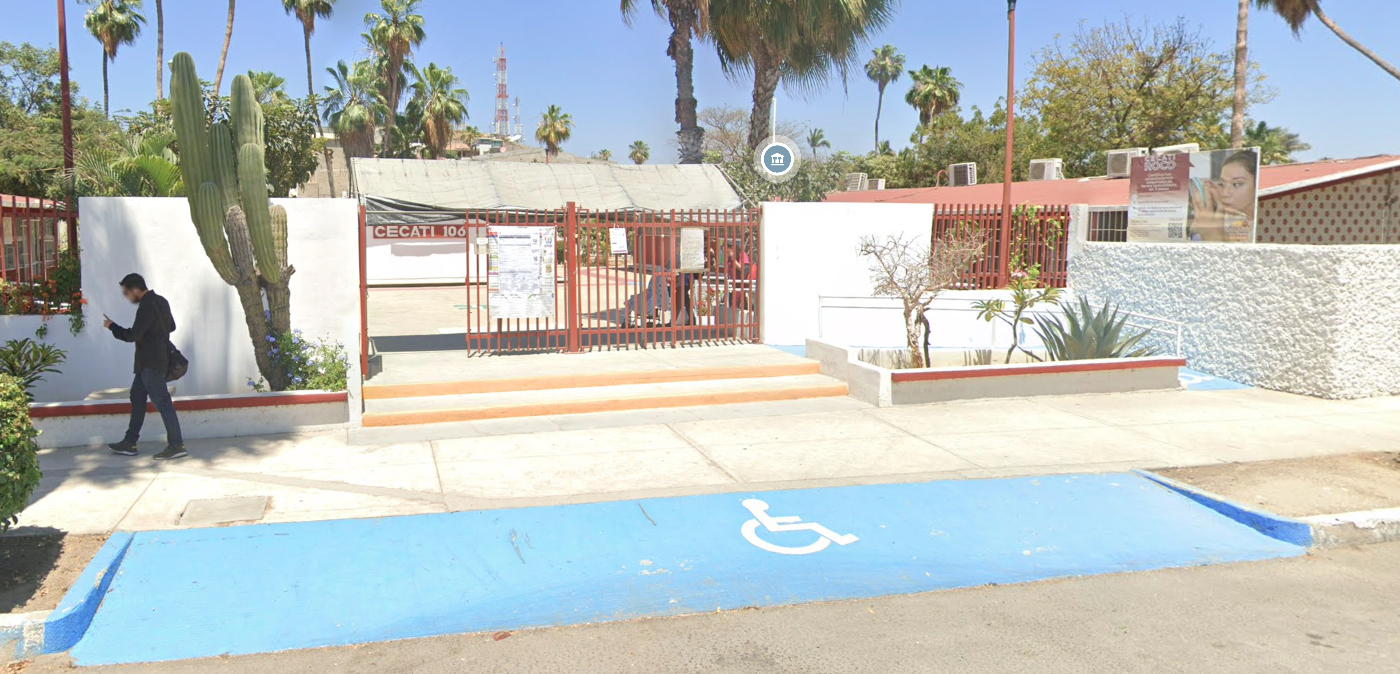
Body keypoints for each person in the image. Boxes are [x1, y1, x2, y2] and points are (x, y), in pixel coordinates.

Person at [104, 273, 185, 460]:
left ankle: (176, 445)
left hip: (150, 362)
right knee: (137, 397)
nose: (127, 297)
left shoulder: (146, 305)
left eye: (126, 293)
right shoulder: (161, 301)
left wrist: (112, 327)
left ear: (135, 289)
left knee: (163, 402)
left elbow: (133, 335)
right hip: (150, 362)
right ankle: (129, 442)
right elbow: (171, 326)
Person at [1188, 150, 1259, 242]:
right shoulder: (1237, 223)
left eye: (1237, 184)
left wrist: (1211, 236)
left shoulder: (1263, 228)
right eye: (1222, 184)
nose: (1225, 193)